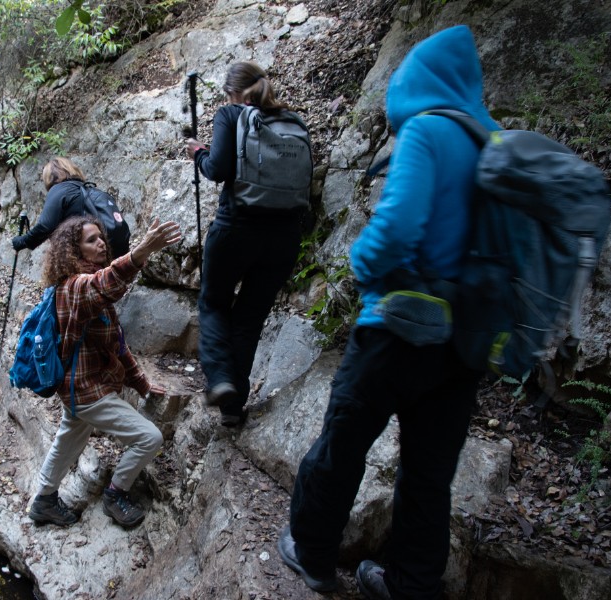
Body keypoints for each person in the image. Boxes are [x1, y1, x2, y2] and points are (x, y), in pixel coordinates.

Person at [277, 26, 497, 599]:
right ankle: (409, 583)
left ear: (413, 82)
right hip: (466, 338)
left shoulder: (428, 131)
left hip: (399, 329)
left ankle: (313, 553)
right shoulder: (492, 140)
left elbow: (398, 228)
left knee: (342, 443)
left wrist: (361, 261)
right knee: (428, 474)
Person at [27, 215, 182, 528]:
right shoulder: (74, 288)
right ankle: (115, 494)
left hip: (77, 390)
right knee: (148, 438)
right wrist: (143, 250)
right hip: (87, 392)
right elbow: (105, 283)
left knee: (67, 441)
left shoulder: (87, 289)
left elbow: (117, 344)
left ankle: (43, 500)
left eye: (100, 237)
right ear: (73, 250)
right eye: (90, 240)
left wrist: (141, 384)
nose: (100, 243)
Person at [185, 61, 305, 426]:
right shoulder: (294, 123)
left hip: (237, 228)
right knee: (249, 318)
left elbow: (217, 169)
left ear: (232, 93)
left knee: (214, 303)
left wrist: (198, 153)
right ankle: (233, 409)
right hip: (285, 237)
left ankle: (221, 379)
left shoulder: (232, 114)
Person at [11, 157, 129, 257]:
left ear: (49, 177)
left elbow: (45, 226)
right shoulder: (90, 189)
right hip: (115, 252)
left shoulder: (59, 190)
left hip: (89, 255)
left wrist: (21, 241)